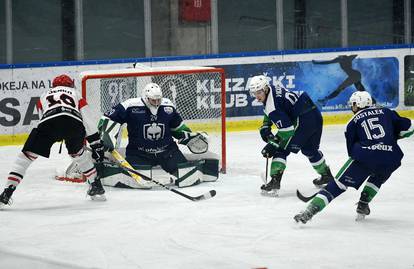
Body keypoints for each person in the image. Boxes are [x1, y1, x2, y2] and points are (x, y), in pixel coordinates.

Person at [294, 91, 414, 224]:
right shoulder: (387, 112)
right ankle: (363, 204)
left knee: (338, 185)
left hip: (365, 156)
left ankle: (309, 211)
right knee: (378, 177)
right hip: (391, 157)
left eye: (354, 104)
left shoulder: (352, 122)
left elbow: (351, 151)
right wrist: (390, 139)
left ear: (359, 104)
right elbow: (409, 128)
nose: (352, 107)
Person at [0, 74, 106, 209]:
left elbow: (42, 118)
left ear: (53, 86)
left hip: (49, 122)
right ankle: (96, 186)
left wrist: (53, 134)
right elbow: (88, 120)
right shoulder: (75, 93)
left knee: (25, 159)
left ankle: (7, 192)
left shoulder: (44, 95)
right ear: (70, 85)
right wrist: (96, 143)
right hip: (73, 123)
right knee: (79, 155)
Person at [96, 82, 218, 189]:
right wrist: (106, 135)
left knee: (186, 177)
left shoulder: (168, 106)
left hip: (167, 152)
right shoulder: (130, 106)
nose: (156, 103)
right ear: (145, 97)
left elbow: (177, 127)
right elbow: (107, 117)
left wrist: (189, 136)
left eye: (158, 100)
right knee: (137, 182)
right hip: (139, 153)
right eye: (153, 100)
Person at [248, 75, 334, 197]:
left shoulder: (272, 106)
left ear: (265, 89)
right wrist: (266, 125)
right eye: (254, 93)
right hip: (314, 115)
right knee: (309, 149)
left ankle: (274, 182)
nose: (257, 96)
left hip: (302, 121)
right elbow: (274, 109)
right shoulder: (272, 88)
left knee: (281, 149)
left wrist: (273, 143)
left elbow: (287, 129)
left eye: (259, 92)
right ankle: (327, 176)